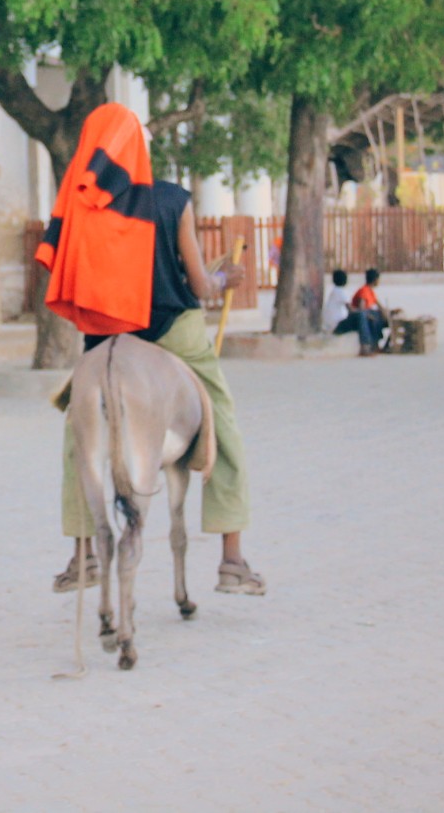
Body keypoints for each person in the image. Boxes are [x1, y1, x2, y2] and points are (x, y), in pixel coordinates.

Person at [44, 104, 263, 597]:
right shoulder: (171, 200)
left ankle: (82, 557)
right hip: (173, 332)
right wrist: (226, 276)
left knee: (76, 437)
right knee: (221, 422)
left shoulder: (78, 205)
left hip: (108, 339)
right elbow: (202, 284)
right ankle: (232, 559)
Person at [336, 268, 389, 355]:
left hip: (365, 315)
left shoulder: (371, 292)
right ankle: (367, 345)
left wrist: (387, 313)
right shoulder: (364, 291)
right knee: (371, 317)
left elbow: (379, 306)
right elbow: (361, 309)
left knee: (379, 315)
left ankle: (379, 345)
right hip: (356, 319)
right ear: (375, 280)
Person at [321, 269, 352, 335]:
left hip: (330, 323)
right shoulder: (341, 291)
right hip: (337, 324)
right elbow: (351, 309)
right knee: (360, 317)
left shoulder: (334, 291)